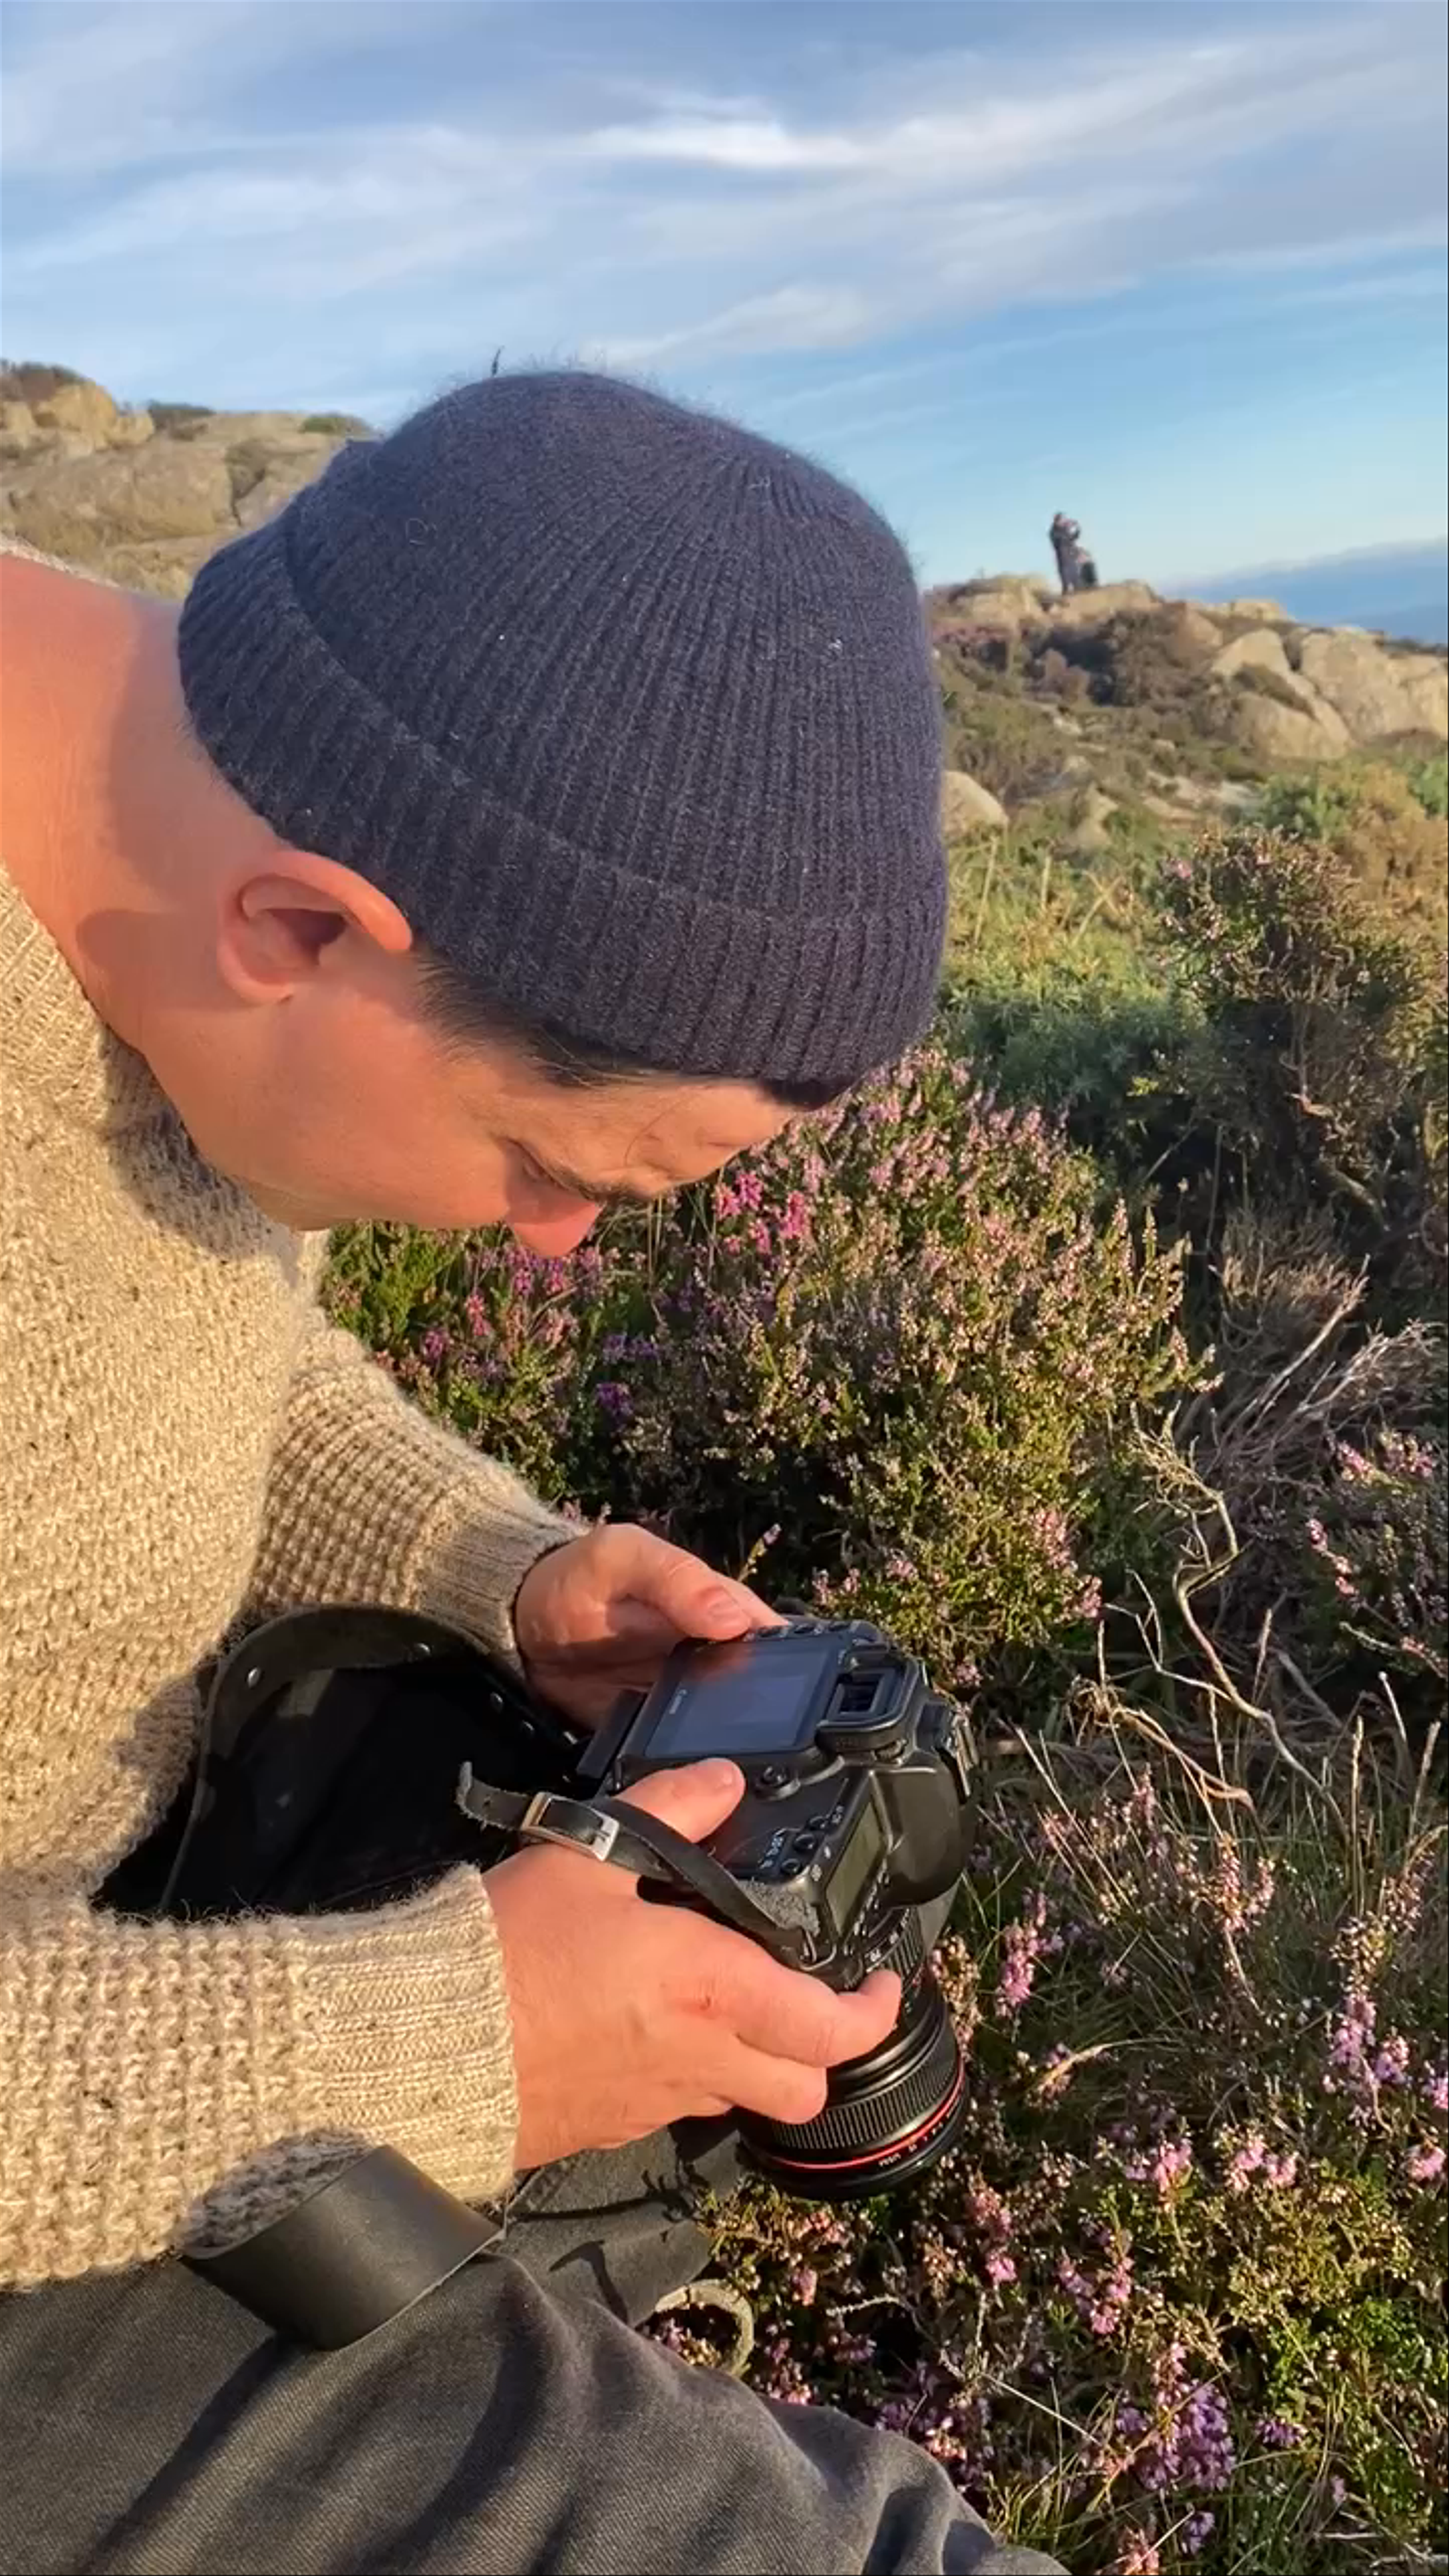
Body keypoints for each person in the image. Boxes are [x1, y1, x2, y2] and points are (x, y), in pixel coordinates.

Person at [0, 372, 1063, 2574]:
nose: (554, 1249)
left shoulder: (182, 789)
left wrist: (498, 1562)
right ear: (302, 934)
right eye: (544, 1166)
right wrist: (441, 2035)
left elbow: (186, 1342)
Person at [1048, 511, 1084, 595]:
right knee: (1066, 586)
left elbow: (1073, 538)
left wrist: (1078, 530)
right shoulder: (1053, 532)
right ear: (1057, 521)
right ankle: (1065, 605)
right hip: (1064, 562)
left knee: (1078, 584)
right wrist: (1067, 528)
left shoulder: (1065, 530)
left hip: (1072, 560)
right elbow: (1061, 541)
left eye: (1065, 520)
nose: (1065, 522)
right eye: (1063, 520)